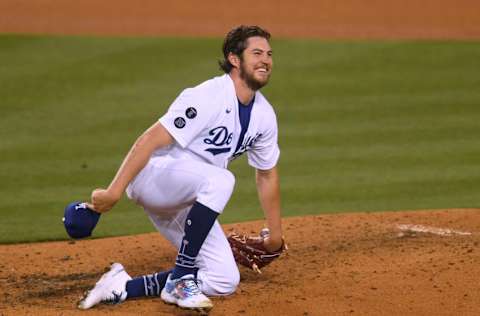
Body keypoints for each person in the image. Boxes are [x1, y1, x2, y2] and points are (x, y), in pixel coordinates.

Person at [78, 25, 283, 313]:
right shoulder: (208, 95)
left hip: (191, 195)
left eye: (269, 54)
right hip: (154, 176)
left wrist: (274, 235)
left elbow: (267, 173)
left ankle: (120, 286)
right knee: (221, 180)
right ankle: (181, 277)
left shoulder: (264, 115)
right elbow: (148, 140)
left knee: (224, 279)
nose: (266, 60)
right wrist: (114, 192)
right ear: (235, 59)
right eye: (257, 53)